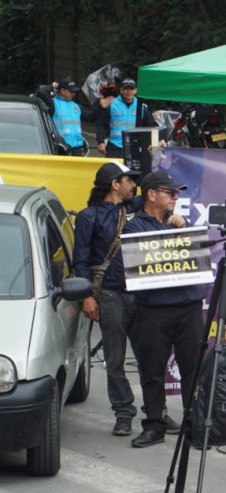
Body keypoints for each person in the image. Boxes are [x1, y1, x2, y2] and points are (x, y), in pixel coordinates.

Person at [122, 172, 204, 449]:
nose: (175, 197)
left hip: (188, 307)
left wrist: (182, 229)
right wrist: (172, 234)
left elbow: (196, 254)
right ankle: (154, 424)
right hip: (153, 310)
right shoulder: (134, 226)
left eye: (177, 193)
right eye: (170, 192)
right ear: (151, 193)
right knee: (152, 370)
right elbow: (140, 259)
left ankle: (194, 425)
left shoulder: (182, 223)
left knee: (192, 369)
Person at [73, 162, 141, 436]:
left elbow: (161, 199)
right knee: (114, 359)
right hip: (110, 296)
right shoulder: (88, 217)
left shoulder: (137, 209)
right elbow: (81, 260)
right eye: (129, 180)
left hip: (141, 294)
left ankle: (156, 413)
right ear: (115, 184)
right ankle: (123, 413)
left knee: (150, 357)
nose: (134, 185)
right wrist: (87, 296)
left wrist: (177, 219)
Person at [36, 78, 110, 155]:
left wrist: (101, 107)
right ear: (63, 90)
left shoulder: (75, 106)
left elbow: (92, 117)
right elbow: (41, 92)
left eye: (74, 92)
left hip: (77, 147)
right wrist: (52, 87)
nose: (73, 94)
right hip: (60, 147)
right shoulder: (53, 103)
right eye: (71, 91)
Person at [96, 78, 160, 158]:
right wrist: (100, 141)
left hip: (134, 147)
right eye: (126, 88)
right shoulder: (112, 104)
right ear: (121, 90)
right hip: (114, 147)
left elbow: (152, 127)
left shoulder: (141, 107)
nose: (129, 91)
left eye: (131, 89)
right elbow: (101, 124)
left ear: (135, 90)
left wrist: (156, 142)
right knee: (113, 170)